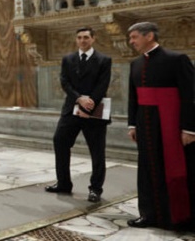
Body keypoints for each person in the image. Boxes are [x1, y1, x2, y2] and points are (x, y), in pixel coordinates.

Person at [126, 22, 195, 230]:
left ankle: (182, 218)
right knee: (147, 169)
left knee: (177, 168)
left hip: (171, 124)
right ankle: (149, 214)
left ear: (149, 36)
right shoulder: (135, 63)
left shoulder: (177, 59)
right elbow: (133, 97)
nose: (131, 42)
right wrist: (131, 124)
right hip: (145, 125)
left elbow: (190, 96)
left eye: (135, 37)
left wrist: (189, 128)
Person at [45, 27, 111, 203]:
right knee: (59, 141)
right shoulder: (68, 59)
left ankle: (95, 189)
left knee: (97, 151)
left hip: (94, 110)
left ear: (93, 39)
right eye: (80, 38)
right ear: (76, 40)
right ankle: (64, 183)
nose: (83, 40)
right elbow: (64, 82)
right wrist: (79, 99)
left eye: (86, 37)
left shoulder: (104, 60)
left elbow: (102, 85)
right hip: (71, 108)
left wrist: (88, 105)